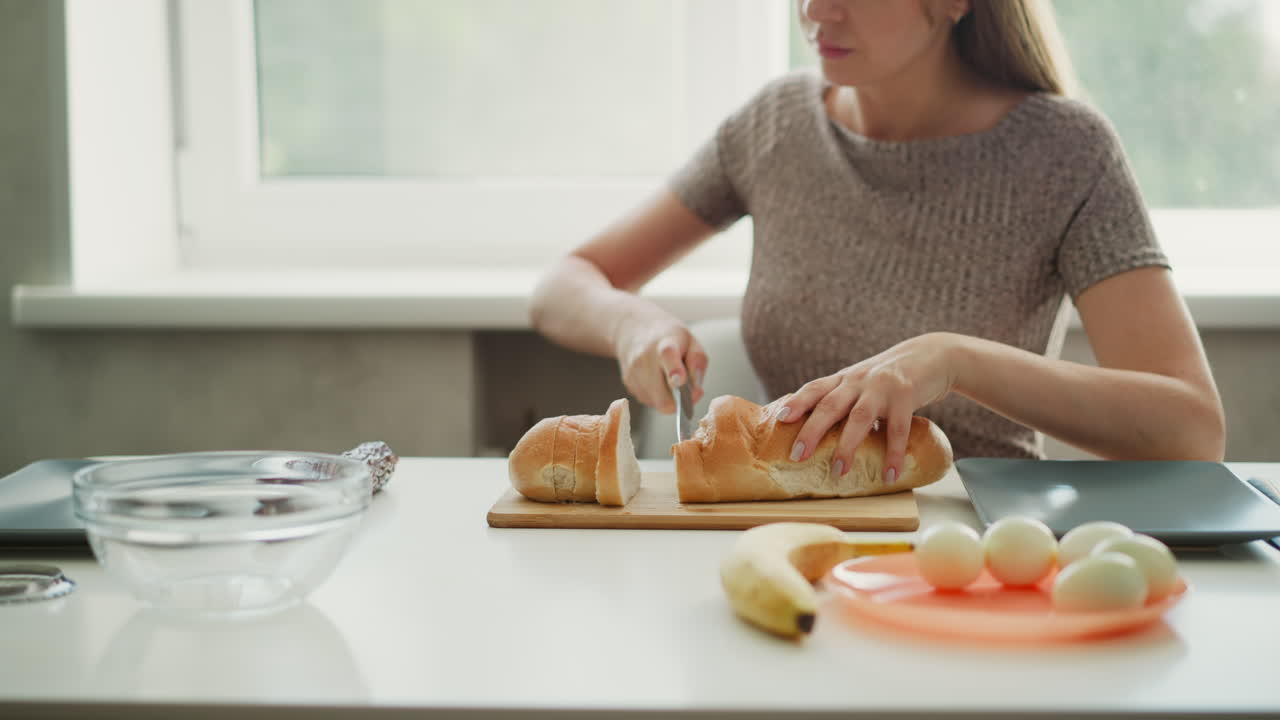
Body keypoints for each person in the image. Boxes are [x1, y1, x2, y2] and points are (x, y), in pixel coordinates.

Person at [529, 0, 1226, 484]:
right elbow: (564, 284)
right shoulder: (776, 126)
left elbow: (1193, 433)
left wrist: (951, 359)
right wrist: (635, 326)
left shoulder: (1067, 153)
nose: (818, 13)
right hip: (795, 538)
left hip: (981, 550)